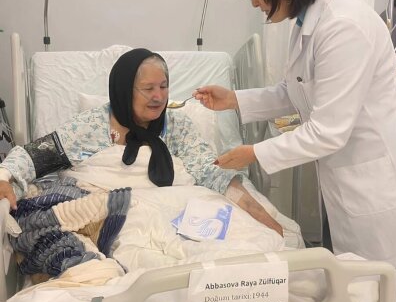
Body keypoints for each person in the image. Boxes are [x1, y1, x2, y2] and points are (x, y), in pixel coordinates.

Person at [194, 0, 396, 280]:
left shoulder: (343, 25)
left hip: (384, 178)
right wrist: (234, 99)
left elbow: (328, 132)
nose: (254, 2)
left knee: (390, 292)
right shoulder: (308, 18)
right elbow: (296, 91)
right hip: (355, 176)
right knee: (360, 286)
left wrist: (253, 153)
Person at [0, 48, 283, 236]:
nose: (158, 97)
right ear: (124, 91)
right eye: (148, 89)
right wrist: (4, 177)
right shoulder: (93, 127)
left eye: (163, 86)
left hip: (174, 224)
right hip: (117, 225)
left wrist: (261, 217)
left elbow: (210, 174)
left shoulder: (178, 126)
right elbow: (34, 156)